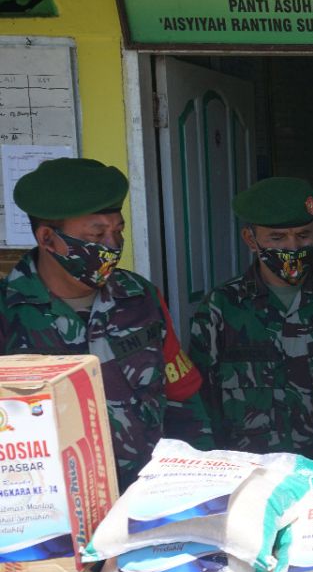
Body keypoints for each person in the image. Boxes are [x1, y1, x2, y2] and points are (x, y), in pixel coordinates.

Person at [0, 157, 210, 489]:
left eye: (118, 230)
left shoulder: (141, 297)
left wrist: (200, 482)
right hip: (48, 512)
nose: (112, 246)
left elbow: (183, 397)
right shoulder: (6, 312)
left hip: (145, 497)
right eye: (97, 233)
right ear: (47, 238)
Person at [188, 177, 313, 459]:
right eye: (277, 238)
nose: (293, 248)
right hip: (250, 476)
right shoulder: (220, 308)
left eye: (303, 235)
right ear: (251, 239)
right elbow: (199, 400)